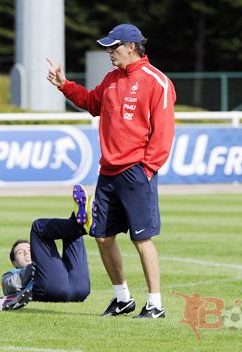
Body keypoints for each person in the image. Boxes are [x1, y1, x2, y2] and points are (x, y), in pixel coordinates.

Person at [46, 23, 176, 318]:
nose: (109, 53)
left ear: (131, 47)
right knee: (102, 236)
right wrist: (64, 85)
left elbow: (164, 133)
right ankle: (123, 299)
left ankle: (155, 303)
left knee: (142, 239)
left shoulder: (157, 81)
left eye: (113, 47)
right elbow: (92, 103)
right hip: (108, 171)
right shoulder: (112, 78)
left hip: (136, 172)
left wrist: (148, 169)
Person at [1, 184, 91, 302]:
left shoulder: (46, 265)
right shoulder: (10, 273)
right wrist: (33, 266)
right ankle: (84, 226)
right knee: (37, 227)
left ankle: (80, 222)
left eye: (29, 250)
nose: (27, 253)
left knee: (71, 232)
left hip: (80, 289)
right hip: (53, 290)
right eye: (20, 253)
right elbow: (11, 285)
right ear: (14, 263)